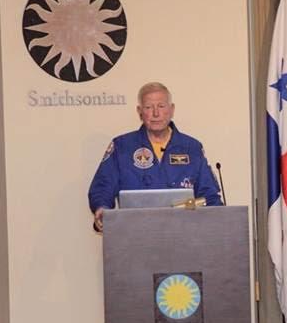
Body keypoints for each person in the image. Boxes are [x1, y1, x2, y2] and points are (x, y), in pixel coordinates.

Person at [88, 82, 222, 230]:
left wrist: (219, 220)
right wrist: (101, 208)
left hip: (184, 233)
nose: (156, 113)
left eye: (161, 106)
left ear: (171, 109)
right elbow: (103, 187)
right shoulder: (122, 147)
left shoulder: (192, 147)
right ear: (139, 111)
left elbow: (209, 196)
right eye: (148, 107)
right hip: (134, 233)